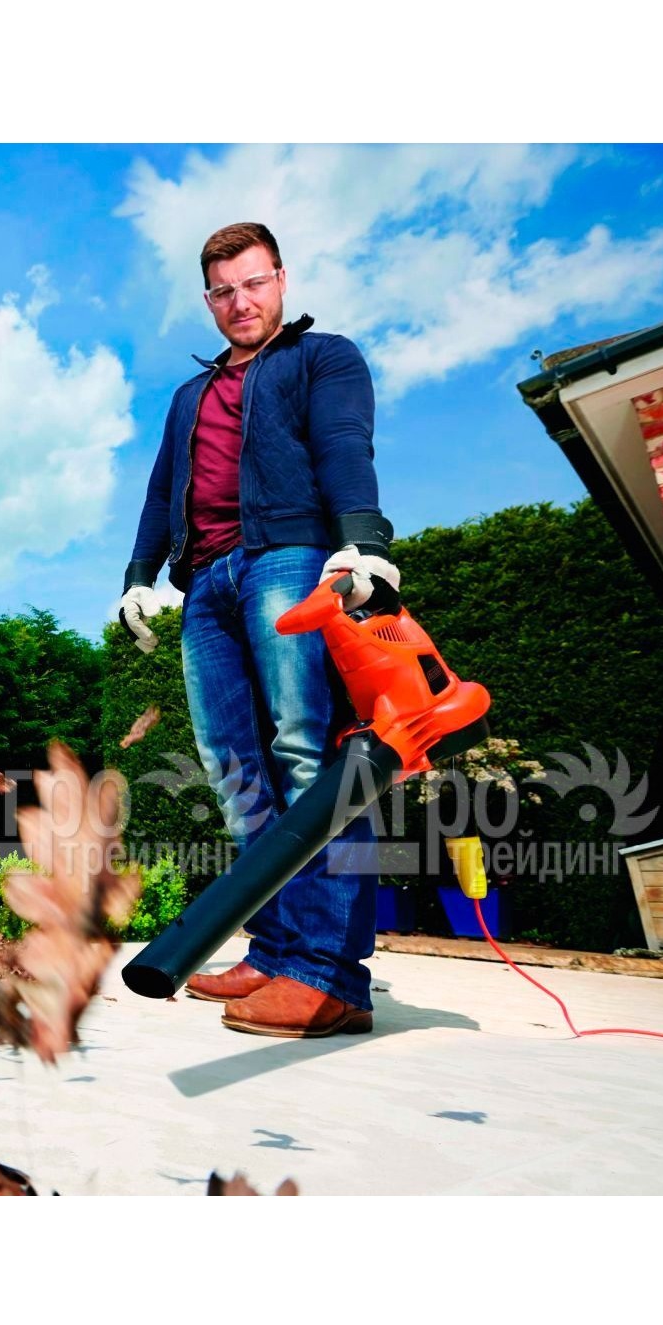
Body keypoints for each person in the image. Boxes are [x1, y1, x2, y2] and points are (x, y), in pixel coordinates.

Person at [117, 221, 398, 1038]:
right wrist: (138, 577)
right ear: (208, 301)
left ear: (281, 279)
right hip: (204, 584)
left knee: (306, 753)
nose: (240, 302)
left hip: (288, 558)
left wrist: (364, 542)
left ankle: (330, 976)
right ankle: (274, 952)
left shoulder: (322, 358)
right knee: (235, 772)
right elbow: (159, 492)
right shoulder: (188, 397)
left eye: (254, 283)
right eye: (223, 291)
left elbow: (343, 445)